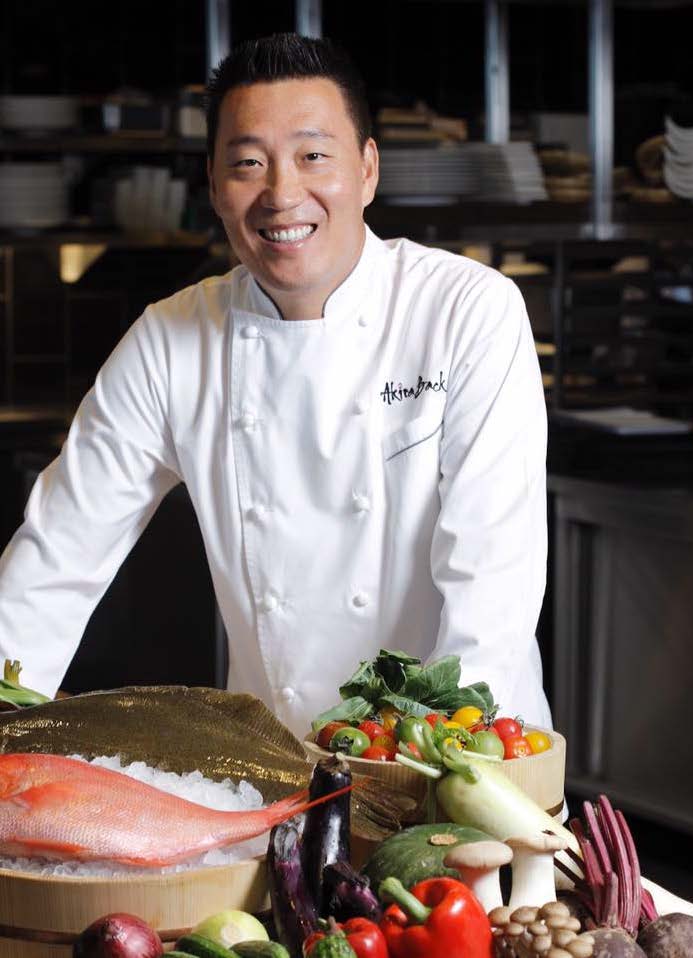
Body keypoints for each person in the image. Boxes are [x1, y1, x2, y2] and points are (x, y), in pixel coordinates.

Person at [0, 34, 550, 739]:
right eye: (248, 163)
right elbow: (56, 559)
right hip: (283, 765)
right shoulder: (171, 339)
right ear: (214, 185)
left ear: (367, 169)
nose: (282, 194)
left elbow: (489, 582)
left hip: (465, 756)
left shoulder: (464, 309)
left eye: (313, 155)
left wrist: (443, 762)